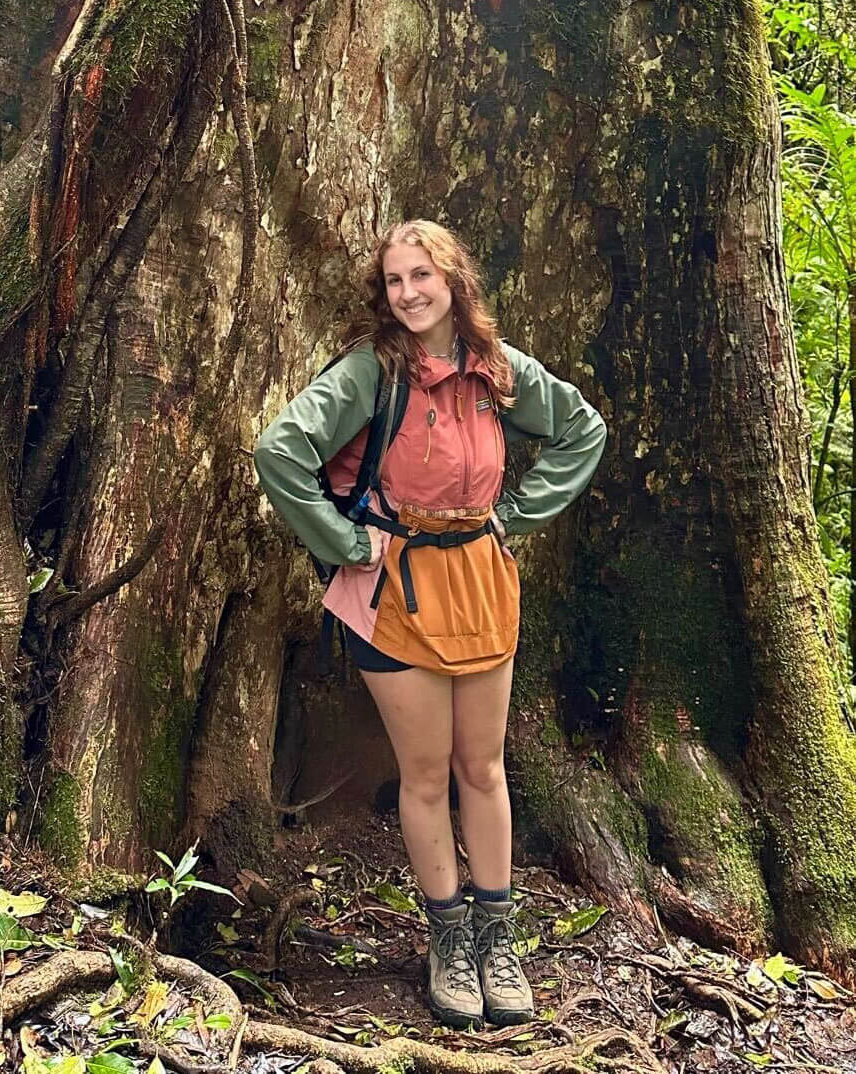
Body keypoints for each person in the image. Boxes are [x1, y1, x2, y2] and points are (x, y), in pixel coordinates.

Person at [254, 220, 606, 1030]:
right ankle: (447, 941)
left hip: (479, 578)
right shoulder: (369, 373)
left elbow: (581, 429)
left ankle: (497, 939)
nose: (408, 293)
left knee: (482, 768)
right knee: (425, 773)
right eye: (393, 281)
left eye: (422, 276)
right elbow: (281, 451)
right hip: (392, 588)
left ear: (454, 280)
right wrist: (343, 541)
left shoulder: (494, 369)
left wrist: (515, 514)